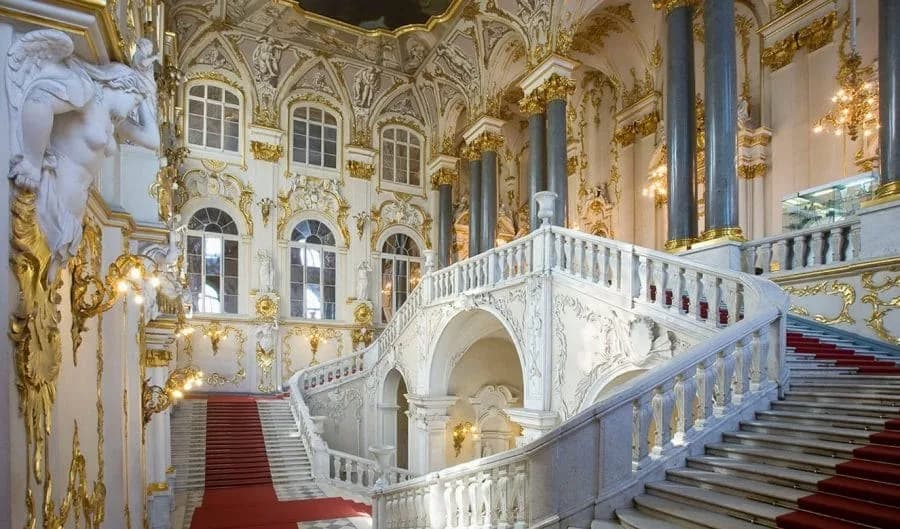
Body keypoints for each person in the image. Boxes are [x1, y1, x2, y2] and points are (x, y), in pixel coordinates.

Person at [8, 30, 160, 272]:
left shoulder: (113, 120)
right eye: (135, 101)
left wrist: (145, 86)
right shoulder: (85, 91)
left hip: (74, 210)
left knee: (40, 279)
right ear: (122, 86)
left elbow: (152, 139)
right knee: (26, 270)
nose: (135, 107)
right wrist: (32, 163)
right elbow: (38, 101)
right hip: (49, 195)